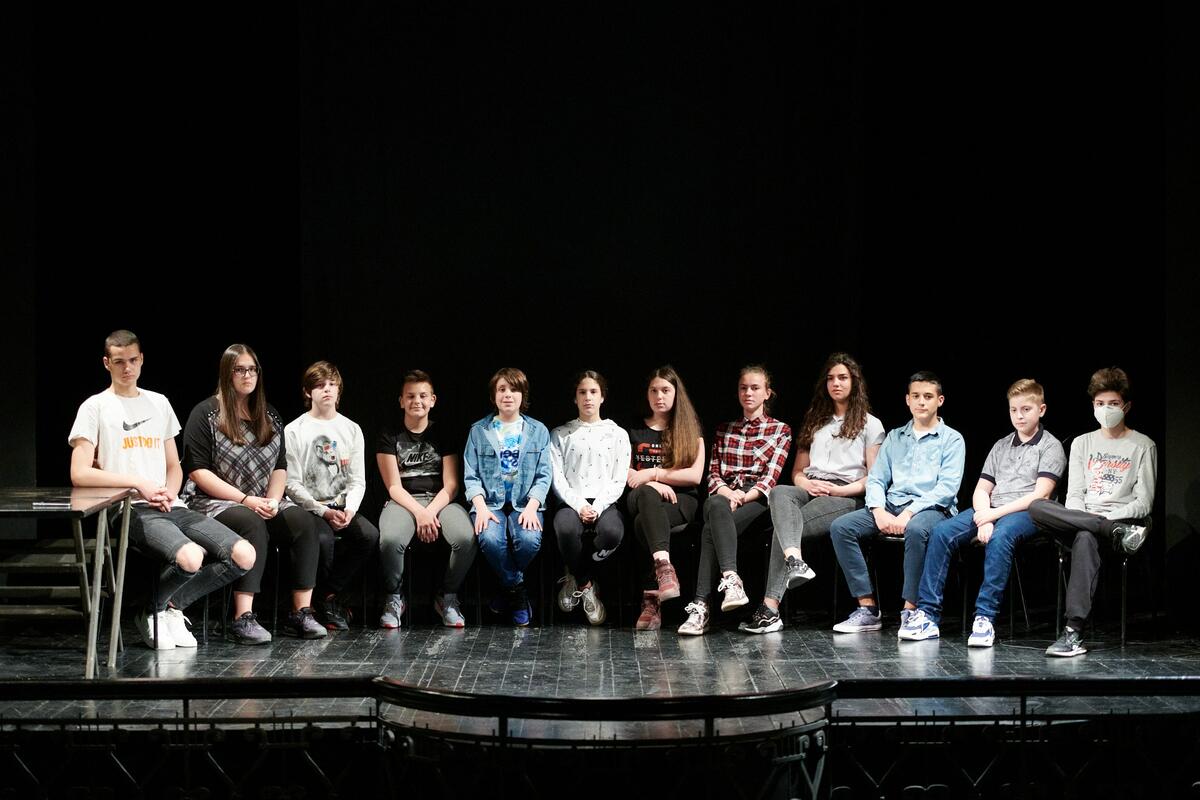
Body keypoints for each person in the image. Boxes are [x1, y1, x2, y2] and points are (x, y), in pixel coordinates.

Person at [68, 330, 254, 650]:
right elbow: (79, 473)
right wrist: (137, 482)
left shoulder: (159, 402)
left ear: (141, 360)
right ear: (107, 363)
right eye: (119, 362)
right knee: (191, 557)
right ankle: (150, 612)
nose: (127, 368)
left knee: (243, 555)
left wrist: (170, 491)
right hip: (128, 507)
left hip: (169, 504)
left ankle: (168, 607)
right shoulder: (95, 407)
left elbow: (173, 465)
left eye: (133, 360)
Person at [899, 379, 1065, 646]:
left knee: (1001, 537)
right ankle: (928, 614)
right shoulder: (1001, 445)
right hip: (992, 509)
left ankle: (985, 618)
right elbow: (981, 489)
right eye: (1014, 410)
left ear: (1041, 410)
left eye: (1026, 409)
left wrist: (992, 517)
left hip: (1028, 511)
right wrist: (984, 515)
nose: (1019, 416)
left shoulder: (1050, 445)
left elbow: (1040, 495)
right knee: (942, 531)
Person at [182, 344, 325, 643]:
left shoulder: (269, 415)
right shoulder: (206, 414)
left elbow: (280, 466)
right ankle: (242, 618)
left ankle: (301, 612)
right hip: (213, 501)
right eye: (240, 369)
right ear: (227, 373)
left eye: (252, 369)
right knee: (251, 522)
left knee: (303, 521)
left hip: (261, 498)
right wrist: (245, 500)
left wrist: (273, 500)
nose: (247, 375)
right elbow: (198, 472)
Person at [739, 353, 885, 634]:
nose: (836, 383)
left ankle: (769, 609)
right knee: (780, 492)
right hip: (812, 487)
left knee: (784, 527)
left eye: (842, 378)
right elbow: (797, 472)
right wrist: (805, 483)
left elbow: (874, 478)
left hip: (846, 494)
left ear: (854, 382)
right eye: (830, 378)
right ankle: (795, 561)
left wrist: (840, 489)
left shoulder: (870, 424)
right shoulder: (816, 420)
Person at [1029, 367, 1156, 657]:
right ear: (1092, 405)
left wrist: (1107, 521)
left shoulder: (1143, 445)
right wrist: (1094, 522)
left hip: (1121, 524)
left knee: (1085, 537)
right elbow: (1074, 494)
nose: (1106, 409)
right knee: (1037, 506)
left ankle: (1072, 632)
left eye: (1113, 403)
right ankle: (1103, 528)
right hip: (1102, 526)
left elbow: (1144, 502)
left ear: (1126, 406)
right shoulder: (1081, 443)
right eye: (1100, 404)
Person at [828, 371, 965, 633]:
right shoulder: (895, 437)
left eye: (928, 396)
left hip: (933, 508)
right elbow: (877, 478)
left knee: (916, 530)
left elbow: (946, 489)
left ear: (940, 400)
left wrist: (909, 513)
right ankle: (867, 608)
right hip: (892, 504)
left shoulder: (952, 439)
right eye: (916, 396)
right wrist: (878, 510)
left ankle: (911, 610)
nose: (921, 402)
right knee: (842, 527)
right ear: (907, 400)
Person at [678, 365, 792, 636]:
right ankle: (731, 579)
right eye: (743, 388)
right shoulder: (724, 430)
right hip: (724, 496)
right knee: (715, 506)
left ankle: (701, 606)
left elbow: (771, 479)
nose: (748, 393)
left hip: (756, 500)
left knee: (710, 527)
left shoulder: (780, 430)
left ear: (767, 393)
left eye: (755, 388)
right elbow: (713, 474)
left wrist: (743, 496)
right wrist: (728, 493)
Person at [376, 370, 476, 628]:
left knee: (465, 538)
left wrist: (430, 511)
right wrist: (420, 513)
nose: (416, 401)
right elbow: (393, 486)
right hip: (403, 501)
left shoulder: (443, 432)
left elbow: (452, 485)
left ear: (433, 400)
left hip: (440, 501)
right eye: (410, 396)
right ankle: (395, 598)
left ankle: (447, 596)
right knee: (390, 540)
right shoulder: (389, 434)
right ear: (401, 401)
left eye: (422, 396)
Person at [284, 361, 380, 631]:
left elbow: (357, 480)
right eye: (319, 385)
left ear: (339, 390)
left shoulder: (351, 429)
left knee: (369, 536)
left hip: (341, 506)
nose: (327, 389)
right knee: (323, 541)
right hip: (309, 509)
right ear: (308, 392)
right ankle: (313, 605)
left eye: (331, 384)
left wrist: (350, 510)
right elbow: (292, 484)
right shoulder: (294, 430)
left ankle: (326, 595)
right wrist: (322, 511)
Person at [463, 368, 552, 627]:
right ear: (494, 396)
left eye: (514, 389)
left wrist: (533, 506)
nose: (508, 395)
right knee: (490, 539)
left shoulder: (538, 430)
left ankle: (507, 590)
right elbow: (471, 475)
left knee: (529, 541)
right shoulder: (479, 431)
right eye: (502, 389)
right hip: (489, 503)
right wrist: (480, 507)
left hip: (526, 504)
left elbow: (544, 475)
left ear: (523, 395)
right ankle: (517, 590)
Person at [626, 366, 705, 631]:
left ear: (676, 393)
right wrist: (652, 484)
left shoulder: (690, 428)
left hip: (680, 501)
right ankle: (664, 567)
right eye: (654, 390)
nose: (659, 396)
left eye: (665, 390)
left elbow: (695, 475)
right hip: (640, 495)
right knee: (647, 494)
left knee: (642, 525)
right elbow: (624, 471)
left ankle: (651, 601)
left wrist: (654, 473)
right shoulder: (634, 428)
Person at [550, 371, 631, 626]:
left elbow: (619, 479)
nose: (588, 397)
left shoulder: (617, 434)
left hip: (604, 503)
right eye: (582, 392)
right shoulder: (560, 433)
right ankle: (585, 585)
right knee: (565, 529)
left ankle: (575, 572)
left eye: (593, 392)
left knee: (612, 534)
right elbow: (557, 478)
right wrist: (580, 505)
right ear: (575, 398)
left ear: (602, 397)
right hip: (571, 502)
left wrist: (597, 506)